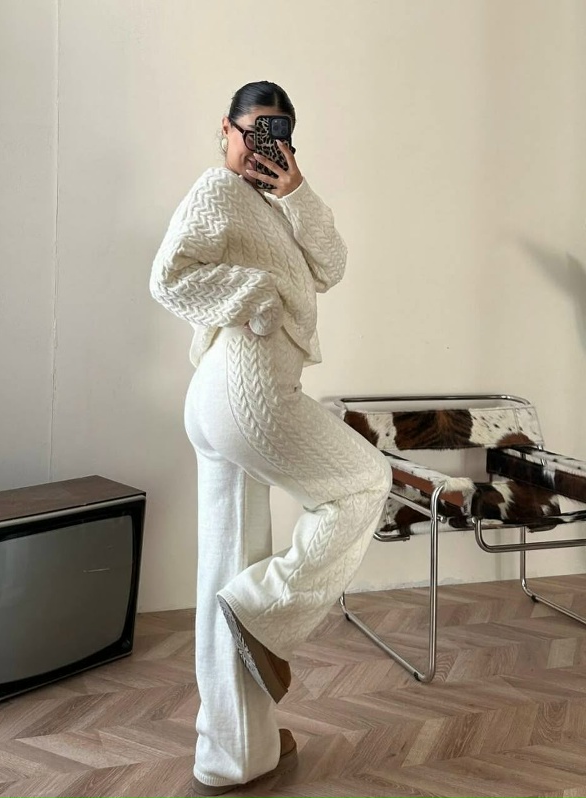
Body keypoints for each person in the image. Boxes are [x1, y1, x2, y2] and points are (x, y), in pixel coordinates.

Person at [149, 81, 391, 795]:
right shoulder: (217, 190)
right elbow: (170, 278)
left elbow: (331, 266)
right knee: (365, 483)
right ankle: (263, 608)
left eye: (277, 131)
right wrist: (255, 293)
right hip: (245, 386)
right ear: (226, 128)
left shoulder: (274, 204)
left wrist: (297, 192)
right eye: (253, 129)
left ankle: (234, 752)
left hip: (224, 395)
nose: (262, 144)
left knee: (226, 565)